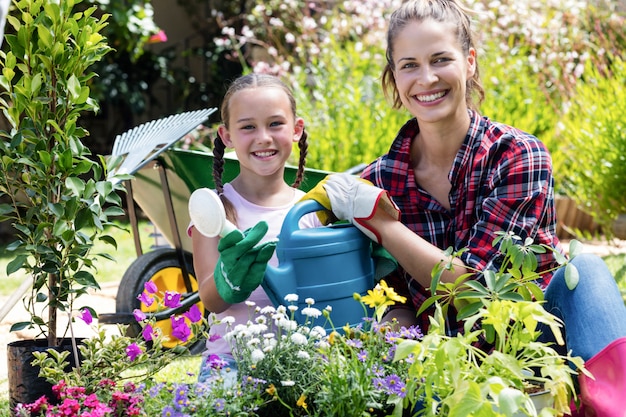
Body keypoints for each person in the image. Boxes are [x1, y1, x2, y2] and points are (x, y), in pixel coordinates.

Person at [304, 1, 626, 415]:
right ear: (394, 77)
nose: (426, 79)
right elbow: (382, 297)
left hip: (534, 352)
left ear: (469, 62)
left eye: (441, 60)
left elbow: (479, 290)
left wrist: (384, 226)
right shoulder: (377, 184)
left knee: (590, 274)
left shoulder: (516, 156)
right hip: (442, 371)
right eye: (409, 65)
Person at [188, 73, 319, 384]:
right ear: (227, 136)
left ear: (296, 129)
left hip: (298, 362)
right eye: (248, 127)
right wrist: (229, 280)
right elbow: (210, 301)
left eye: (275, 124)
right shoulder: (214, 211)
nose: (263, 137)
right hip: (230, 361)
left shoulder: (311, 212)